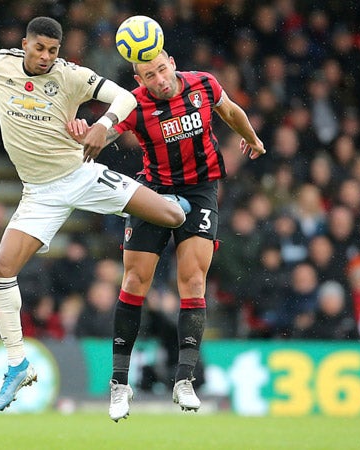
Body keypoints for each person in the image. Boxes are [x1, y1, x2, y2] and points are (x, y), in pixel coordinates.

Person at [0, 16, 189, 411]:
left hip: (80, 174)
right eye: (39, 48)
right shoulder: (1, 64)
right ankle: (17, 362)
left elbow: (127, 97)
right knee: (0, 269)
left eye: (53, 50)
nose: (45, 57)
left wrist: (103, 124)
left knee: (174, 216)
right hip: (39, 194)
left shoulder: (71, 75)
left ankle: (179, 198)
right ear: (25, 44)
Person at [67, 49, 265, 421]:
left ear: (172, 63)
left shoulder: (203, 83)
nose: (159, 80)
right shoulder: (135, 103)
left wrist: (252, 139)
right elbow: (105, 135)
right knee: (134, 280)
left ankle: (185, 379)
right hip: (154, 193)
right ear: (139, 80)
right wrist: (86, 134)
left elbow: (232, 111)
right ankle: (119, 383)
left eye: (161, 70)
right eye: (149, 76)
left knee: (192, 280)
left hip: (201, 189)